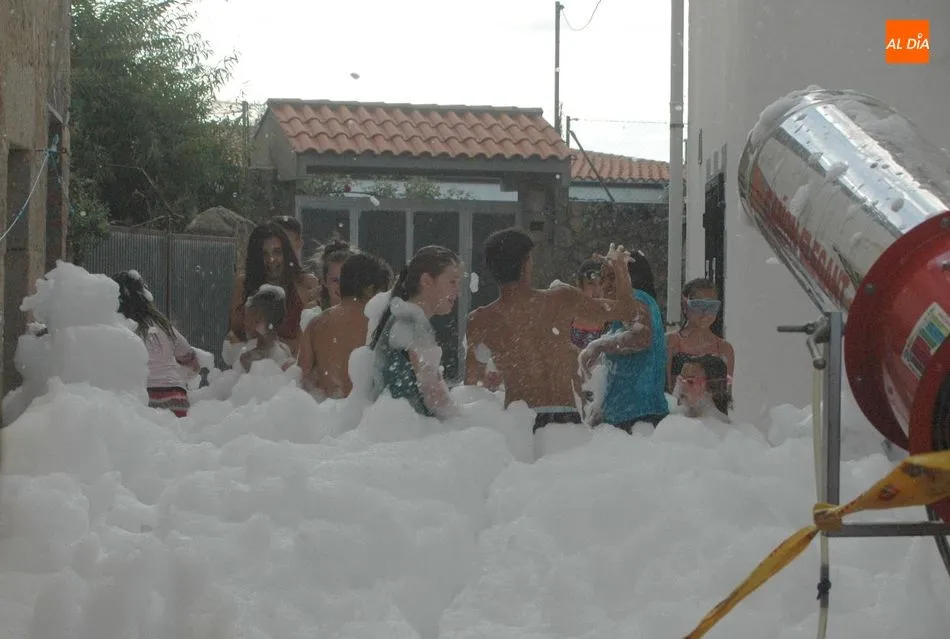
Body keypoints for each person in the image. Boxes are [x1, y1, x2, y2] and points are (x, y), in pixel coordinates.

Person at [464, 228, 644, 433]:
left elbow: (470, 385)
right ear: (526, 264)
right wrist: (620, 268)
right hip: (564, 423)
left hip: (520, 424)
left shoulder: (480, 320)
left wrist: (488, 378)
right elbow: (627, 311)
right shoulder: (561, 299)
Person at [369, 246, 461, 419]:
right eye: (452, 282)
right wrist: (464, 423)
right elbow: (434, 396)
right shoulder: (410, 322)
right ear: (426, 281)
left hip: (393, 424)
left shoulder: (403, 317)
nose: (458, 291)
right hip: (404, 428)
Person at [580, 251, 669, 432]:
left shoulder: (637, 298)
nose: (605, 285)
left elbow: (640, 336)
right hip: (633, 416)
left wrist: (599, 346)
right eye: (602, 278)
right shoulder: (632, 308)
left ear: (631, 277)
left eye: (613, 277)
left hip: (638, 416)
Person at [299, 252, 392, 399]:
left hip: (326, 409)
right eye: (381, 294)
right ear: (369, 290)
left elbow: (300, 380)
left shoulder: (316, 324)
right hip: (365, 410)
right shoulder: (380, 324)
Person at [113, 270, 201, 417]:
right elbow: (190, 359)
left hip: (141, 397)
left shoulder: (118, 328)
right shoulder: (162, 326)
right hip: (175, 396)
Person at [227, 222, 320, 356]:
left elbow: (310, 344)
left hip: (294, 365)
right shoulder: (243, 284)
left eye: (277, 252)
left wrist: (266, 343)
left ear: (287, 253)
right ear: (255, 258)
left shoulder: (306, 284)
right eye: (264, 254)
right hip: (251, 364)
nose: (271, 259)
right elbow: (234, 334)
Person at [666, 277, 735, 392]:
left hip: (711, 404)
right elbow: (664, 388)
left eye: (712, 307)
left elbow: (725, 393)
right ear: (685, 306)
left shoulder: (724, 348)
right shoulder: (672, 341)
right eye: (698, 305)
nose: (705, 312)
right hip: (678, 402)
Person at [239, 285, 295, 373]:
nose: (244, 322)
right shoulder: (284, 349)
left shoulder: (250, 358)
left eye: (247, 316)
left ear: (259, 319)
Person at [672, 354, 733, 422]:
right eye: (680, 380)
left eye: (690, 381)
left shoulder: (718, 423)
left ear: (711, 388)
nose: (682, 386)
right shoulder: (680, 414)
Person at [570, 258, 610, 349]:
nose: (597, 290)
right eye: (591, 284)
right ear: (580, 285)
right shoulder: (568, 315)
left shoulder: (613, 318)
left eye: (601, 283)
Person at [313, 239, 356, 310]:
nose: (341, 286)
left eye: (347, 279)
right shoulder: (312, 315)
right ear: (324, 281)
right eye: (335, 280)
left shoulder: (371, 313)